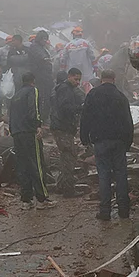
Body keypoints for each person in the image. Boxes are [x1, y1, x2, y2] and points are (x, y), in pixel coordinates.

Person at [80, 70, 134, 221]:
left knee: (104, 176)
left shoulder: (93, 94)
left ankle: (105, 212)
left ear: (101, 79)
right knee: (121, 174)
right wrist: (128, 142)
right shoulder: (121, 96)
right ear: (114, 79)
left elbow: (85, 118)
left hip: (100, 140)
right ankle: (124, 211)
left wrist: (84, 138)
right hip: (119, 141)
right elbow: (128, 121)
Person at [10, 72, 56, 210]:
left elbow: (11, 116)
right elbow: (34, 109)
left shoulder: (15, 95)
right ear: (33, 81)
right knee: (36, 164)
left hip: (17, 134)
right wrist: (37, 125)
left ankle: (26, 200)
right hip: (29, 133)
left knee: (23, 166)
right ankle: (42, 199)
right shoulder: (32, 91)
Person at [50, 68, 85, 197]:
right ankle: (69, 190)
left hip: (61, 127)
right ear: (69, 76)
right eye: (76, 79)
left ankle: (61, 186)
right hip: (62, 127)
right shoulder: (65, 89)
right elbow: (65, 108)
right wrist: (79, 108)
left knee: (66, 156)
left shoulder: (64, 88)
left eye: (79, 80)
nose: (77, 83)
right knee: (69, 157)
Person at [28, 30, 54, 124]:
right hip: (40, 75)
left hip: (44, 75)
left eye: (46, 39)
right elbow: (42, 58)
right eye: (43, 39)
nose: (45, 41)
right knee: (43, 96)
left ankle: (43, 116)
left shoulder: (40, 47)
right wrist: (48, 60)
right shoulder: (35, 47)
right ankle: (42, 117)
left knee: (45, 96)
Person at [62, 27, 97, 93]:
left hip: (72, 72)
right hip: (86, 72)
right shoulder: (86, 43)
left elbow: (63, 60)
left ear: (73, 35)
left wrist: (63, 70)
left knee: (74, 89)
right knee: (87, 89)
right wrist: (95, 67)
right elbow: (92, 56)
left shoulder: (68, 45)